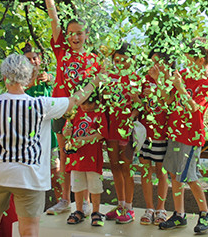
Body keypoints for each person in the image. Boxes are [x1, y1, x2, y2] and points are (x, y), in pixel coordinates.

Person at [0, 54, 101, 237]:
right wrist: (95, 81)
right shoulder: (42, 105)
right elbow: (75, 101)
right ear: (29, 77)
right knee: (29, 230)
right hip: (29, 177)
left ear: (5, 77)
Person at [40, 0, 100, 215]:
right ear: (66, 35)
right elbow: (53, 19)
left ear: (86, 35)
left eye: (79, 33)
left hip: (83, 113)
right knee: (65, 155)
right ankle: (65, 199)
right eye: (71, 33)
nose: (75, 37)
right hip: (60, 108)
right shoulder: (61, 50)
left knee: (81, 154)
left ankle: (83, 203)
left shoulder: (93, 60)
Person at [158, 38, 208, 234]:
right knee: (174, 174)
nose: (186, 63)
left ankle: (205, 213)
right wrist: (164, 78)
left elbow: (195, 108)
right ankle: (179, 214)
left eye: (190, 59)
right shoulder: (183, 74)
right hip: (175, 132)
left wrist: (180, 86)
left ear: (201, 60)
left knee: (189, 176)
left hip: (191, 137)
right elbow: (167, 99)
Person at [22, 45, 65, 214]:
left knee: (56, 174)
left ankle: (62, 203)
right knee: (31, 177)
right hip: (29, 139)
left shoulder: (49, 79)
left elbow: (62, 91)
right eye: (28, 59)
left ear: (40, 60)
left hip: (50, 137)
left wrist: (50, 79)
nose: (32, 61)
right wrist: (31, 82)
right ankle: (32, 211)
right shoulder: (20, 81)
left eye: (35, 58)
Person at [103, 42, 141, 224]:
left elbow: (139, 106)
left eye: (123, 60)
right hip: (111, 129)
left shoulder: (135, 79)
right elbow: (104, 101)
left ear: (132, 59)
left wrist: (130, 118)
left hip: (126, 131)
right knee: (115, 166)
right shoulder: (109, 77)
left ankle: (130, 208)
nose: (119, 63)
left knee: (127, 167)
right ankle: (120, 204)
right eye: (116, 59)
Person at [136, 49, 173, 225]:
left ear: (169, 63)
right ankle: (149, 208)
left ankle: (161, 208)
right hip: (146, 132)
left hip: (162, 133)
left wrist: (159, 80)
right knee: (145, 170)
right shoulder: (145, 79)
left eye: (158, 62)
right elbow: (143, 103)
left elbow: (168, 102)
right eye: (152, 62)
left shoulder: (173, 81)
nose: (154, 66)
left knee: (161, 171)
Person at [64, 90, 107, 226]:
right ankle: (78, 210)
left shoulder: (99, 113)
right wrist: (67, 131)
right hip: (76, 156)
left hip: (92, 156)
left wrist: (85, 139)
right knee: (77, 185)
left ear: (96, 102)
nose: (85, 107)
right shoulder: (75, 112)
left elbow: (102, 134)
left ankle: (95, 211)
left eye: (89, 104)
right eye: (83, 103)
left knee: (95, 186)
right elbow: (66, 131)